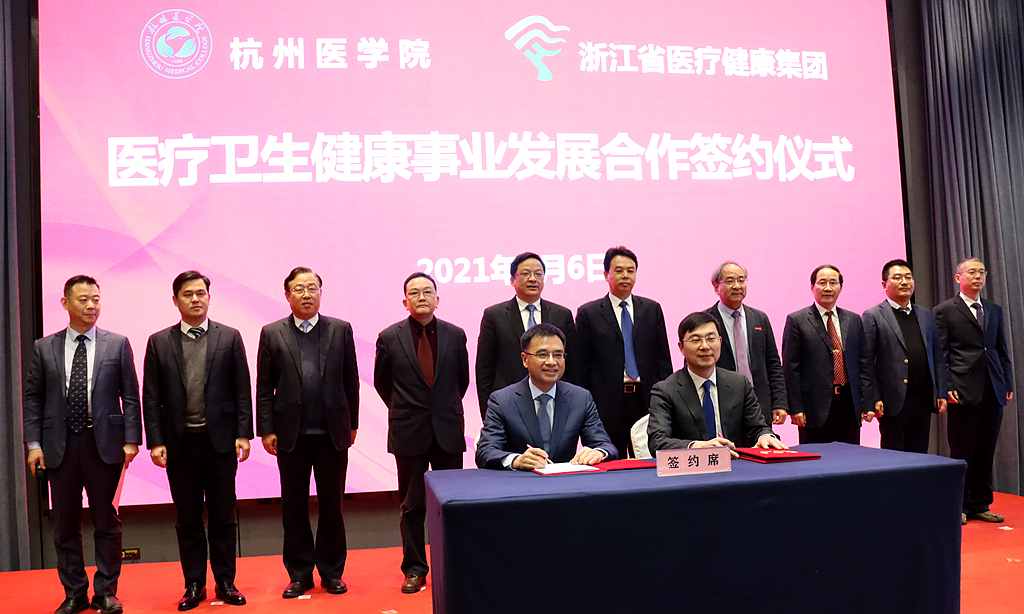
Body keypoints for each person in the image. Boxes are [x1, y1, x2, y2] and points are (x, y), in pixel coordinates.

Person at [23, 275, 141, 614]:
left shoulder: (117, 344)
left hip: (104, 445)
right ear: (65, 303)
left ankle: (106, 592)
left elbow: (130, 396)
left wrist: (131, 440)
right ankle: (74, 592)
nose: (91, 306)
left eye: (96, 299)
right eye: (83, 300)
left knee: (107, 521)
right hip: (59, 446)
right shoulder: (43, 347)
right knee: (65, 524)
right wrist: (34, 444)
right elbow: (32, 398)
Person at [142, 271, 252, 610]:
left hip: (220, 443)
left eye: (201, 293)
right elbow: (151, 396)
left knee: (223, 515)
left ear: (209, 297)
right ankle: (193, 584)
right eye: (188, 294)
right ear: (175, 300)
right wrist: (155, 440)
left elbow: (242, 390)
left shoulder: (229, 337)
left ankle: (225, 581)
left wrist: (243, 433)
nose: (195, 299)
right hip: (180, 444)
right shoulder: (159, 342)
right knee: (187, 517)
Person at [256, 267, 359, 598]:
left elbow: (351, 382)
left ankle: (332, 571)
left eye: (312, 288)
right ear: (287, 295)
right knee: (294, 506)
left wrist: (353, 424)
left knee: (332, 506)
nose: (306, 294)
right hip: (291, 436)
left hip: (332, 434)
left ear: (320, 292)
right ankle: (299, 573)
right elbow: (264, 388)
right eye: (299, 289)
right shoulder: (272, 333)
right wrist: (266, 429)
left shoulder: (340, 330)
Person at [373, 272, 469, 594]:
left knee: (451, 504)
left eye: (428, 291)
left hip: (447, 430)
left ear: (438, 299)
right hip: (408, 432)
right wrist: (407, 409)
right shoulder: (389, 337)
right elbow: (383, 384)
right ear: (405, 301)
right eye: (414, 293)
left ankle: (452, 563)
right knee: (412, 506)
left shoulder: (456, 335)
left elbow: (461, 381)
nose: (422, 297)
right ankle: (414, 569)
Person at [935, 257, 1013, 524]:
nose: (978, 276)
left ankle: (980, 503)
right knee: (962, 449)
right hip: (962, 388)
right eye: (972, 272)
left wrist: (1007, 382)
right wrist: (947, 386)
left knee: (985, 449)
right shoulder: (945, 310)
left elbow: (1001, 349)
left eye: (981, 272)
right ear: (958, 278)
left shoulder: (993, 309)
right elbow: (941, 353)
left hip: (993, 387)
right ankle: (958, 505)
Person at [476, 324, 617, 470]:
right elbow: (485, 451)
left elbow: (605, 445)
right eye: (542, 355)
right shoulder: (502, 400)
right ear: (525, 359)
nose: (551, 362)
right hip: (521, 480)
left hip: (567, 481)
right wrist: (516, 460)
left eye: (558, 355)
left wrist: (598, 452)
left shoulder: (581, 398)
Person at [575, 246, 672, 457]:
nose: (625, 275)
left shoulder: (652, 309)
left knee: (649, 459)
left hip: (647, 399)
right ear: (606, 274)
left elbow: (663, 359)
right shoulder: (588, 313)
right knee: (611, 460)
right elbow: (581, 365)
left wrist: (665, 397)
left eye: (631, 270)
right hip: (607, 402)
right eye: (619, 270)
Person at [647, 312, 786, 454]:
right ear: (681, 347)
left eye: (711, 338)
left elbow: (758, 428)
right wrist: (696, 447)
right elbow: (657, 441)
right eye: (695, 340)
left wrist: (765, 436)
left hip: (737, 464)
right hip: (692, 466)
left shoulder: (739, 384)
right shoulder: (665, 390)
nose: (705, 346)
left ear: (720, 341)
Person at [475, 252, 577, 417]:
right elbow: (484, 369)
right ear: (512, 280)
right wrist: (488, 414)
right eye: (526, 273)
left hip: (554, 402)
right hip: (508, 405)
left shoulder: (562, 315)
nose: (532, 279)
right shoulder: (494, 316)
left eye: (538, 274)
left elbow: (572, 366)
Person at [860, 259, 946, 454]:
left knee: (920, 454)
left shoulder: (925, 314)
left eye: (908, 277)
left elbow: (937, 356)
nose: (905, 282)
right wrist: (873, 398)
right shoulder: (873, 316)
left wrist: (940, 392)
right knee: (895, 457)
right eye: (897, 278)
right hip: (892, 401)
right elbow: (866, 362)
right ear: (884, 284)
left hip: (922, 398)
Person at [782, 265, 870, 444]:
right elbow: (791, 368)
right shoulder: (797, 320)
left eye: (833, 282)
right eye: (822, 283)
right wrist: (796, 408)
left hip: (848, 404)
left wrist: (865, 402)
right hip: (814, 408)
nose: (828, 288)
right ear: (812, 287)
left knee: (851, 456)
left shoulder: (853, 319)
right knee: (817, 457)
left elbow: (863, 363)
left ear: (840, 287)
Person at [704, 261, 788, 426]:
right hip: (721, 402)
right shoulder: (705, 321)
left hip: (759, 402)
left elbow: (773, 363)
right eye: (730, 281)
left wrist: (780, 403)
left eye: (741, 280)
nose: (737, 286)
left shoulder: (759, 318)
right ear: (716, 286)